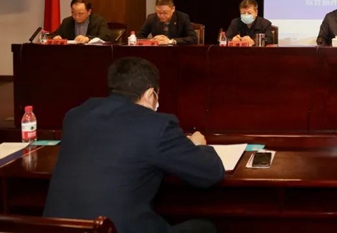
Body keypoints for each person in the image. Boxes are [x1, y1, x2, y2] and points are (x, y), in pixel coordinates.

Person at [43, 57, 225, 233]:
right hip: (113, 229)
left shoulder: (75, 116)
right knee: (205, 227)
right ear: (150, 94)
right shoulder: (157, 125)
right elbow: (210, 173)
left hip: (55, 229)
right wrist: (199, 146)